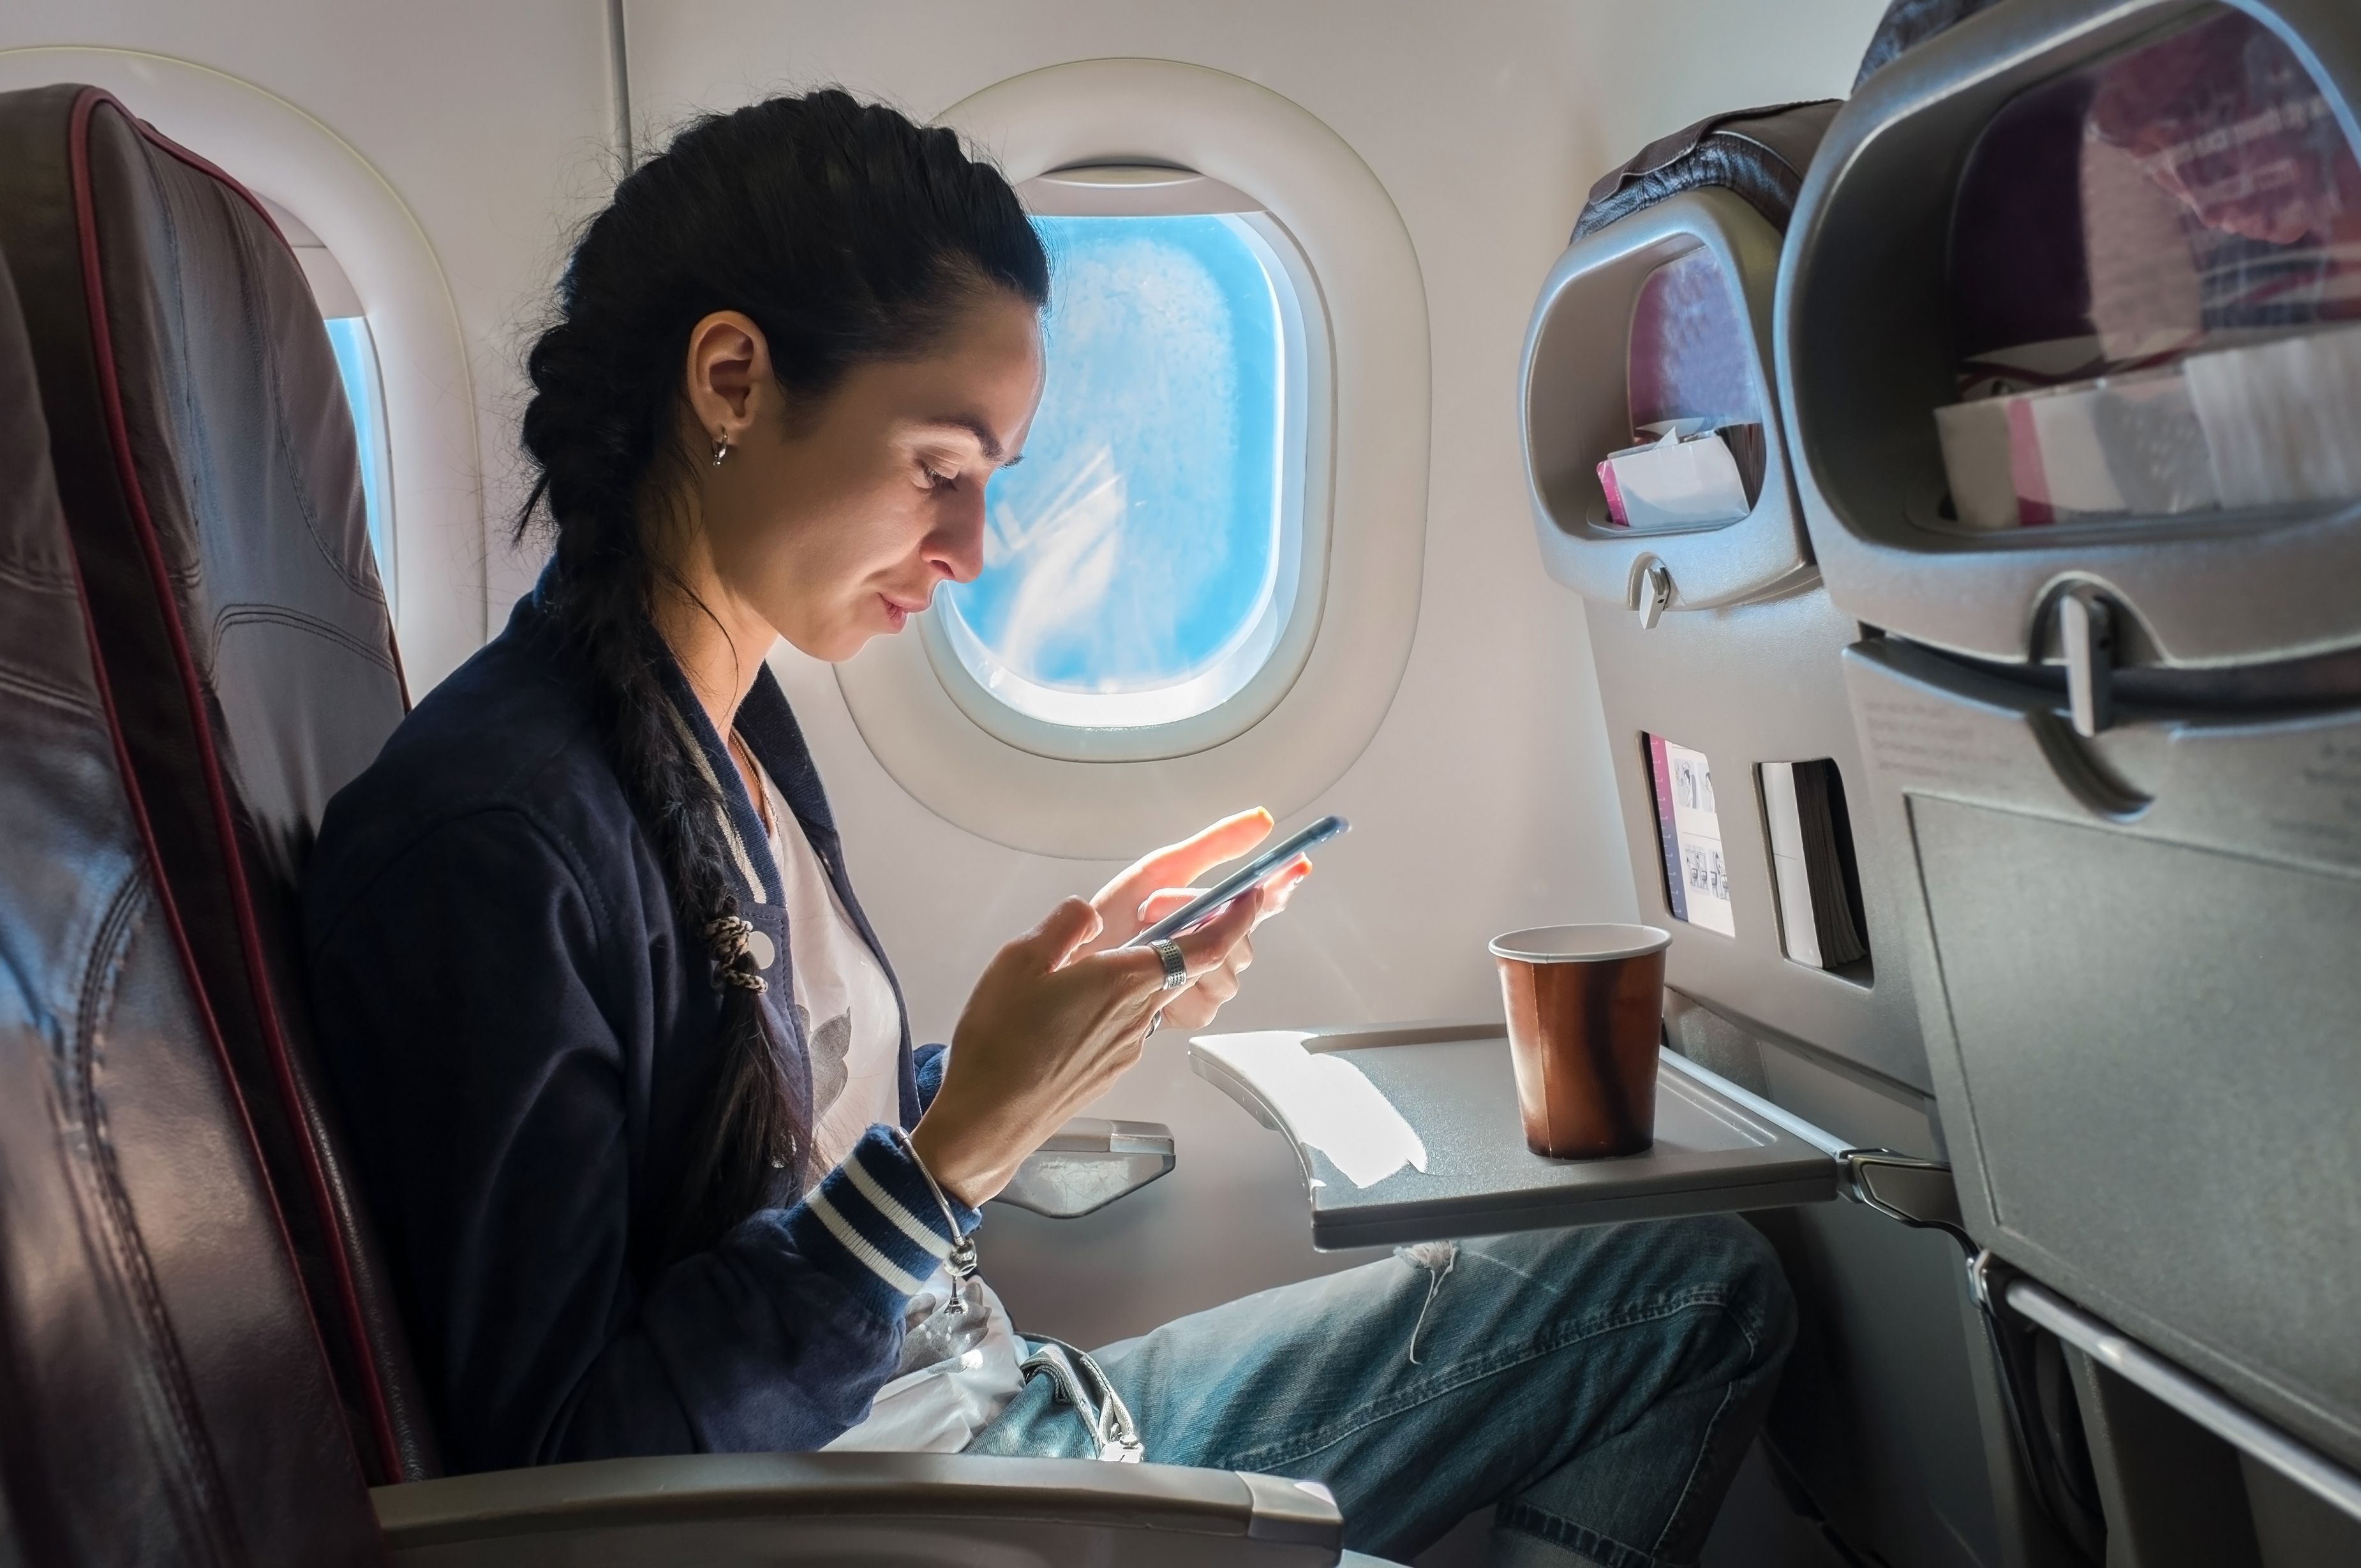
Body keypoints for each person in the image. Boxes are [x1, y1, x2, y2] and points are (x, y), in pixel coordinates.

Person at [302, 89, 1792, 1568]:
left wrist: (1061, 1040)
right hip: (897, 1517)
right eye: (937, 469)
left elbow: (760, 1144)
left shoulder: (725, 726)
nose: (968, 549)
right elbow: (573, 1480)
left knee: (1697, 1283)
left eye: (993, 481)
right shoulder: (497, 843)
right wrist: (957, 1152)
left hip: (1010, 1426)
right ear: (733, 379)